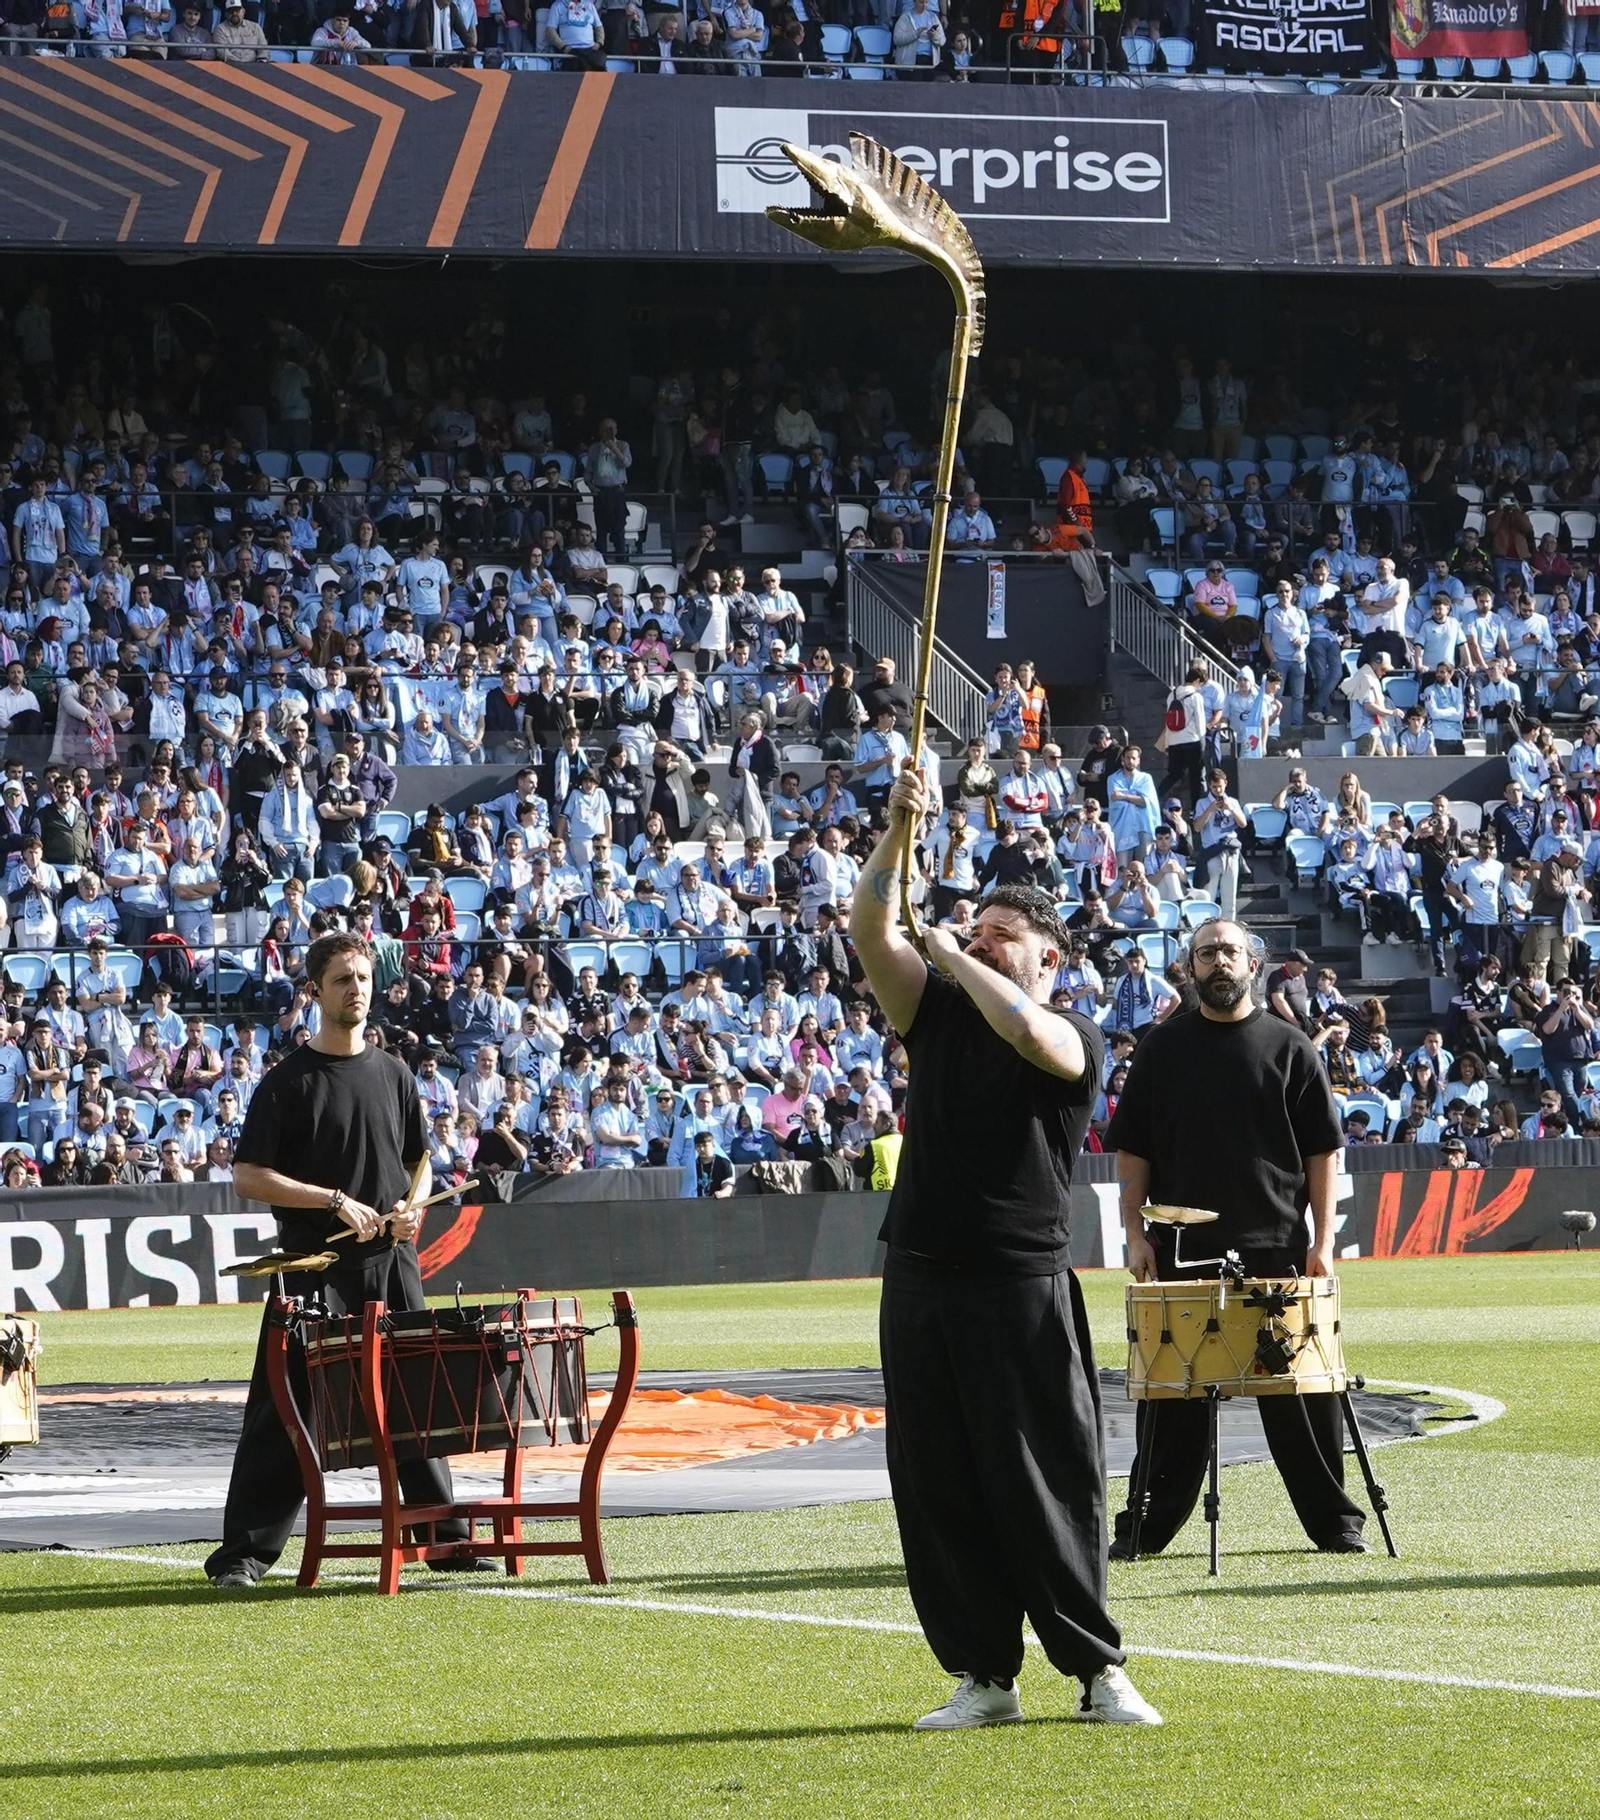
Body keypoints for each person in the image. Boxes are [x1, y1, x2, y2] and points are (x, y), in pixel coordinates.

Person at [849, 759, 1160, 1732]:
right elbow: (869, 929)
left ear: (1046, 959)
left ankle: (1097, 1668)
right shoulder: (935, 1012)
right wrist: (901, 829)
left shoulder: (1073, 1030)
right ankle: (982, 1673)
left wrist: (950, 945)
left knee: (1046, 1481)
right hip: (922, 1277)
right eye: (978, 932)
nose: (981, 945)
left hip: (1018, 1282)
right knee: (938, 1484)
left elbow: (1030, 1034)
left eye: (1002, 938)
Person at [203, 933, 492, 1589]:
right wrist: (335, 1201)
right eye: (342, 979)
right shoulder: (286, 1083)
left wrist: (414, 1206)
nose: (355, 989)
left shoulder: (394, 1072)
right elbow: (248, 1177)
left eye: (362, 978)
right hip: (312, 1267)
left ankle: (443, 1537)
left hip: (394, 1262)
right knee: (286, 1412)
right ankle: (243, 1555)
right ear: (315, 990)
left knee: (418, 1399)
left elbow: (420, 1162)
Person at [1106, 917, 1368, 1559]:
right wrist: (1134, 1234)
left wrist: (1322, 1243)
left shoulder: (1292, 1047)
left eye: (1229, 951)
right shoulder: (1161, 1050)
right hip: (1177, 1249)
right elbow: (1132, 1152)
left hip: (1278, 1244)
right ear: (1190, 968)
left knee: (1306, 1394)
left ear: (1253, 963)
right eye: (1205, 954)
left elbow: (1322, 1155)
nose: (1218, 962)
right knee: (1173, 1398)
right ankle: (1146, 1527)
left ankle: (1336, 1522)